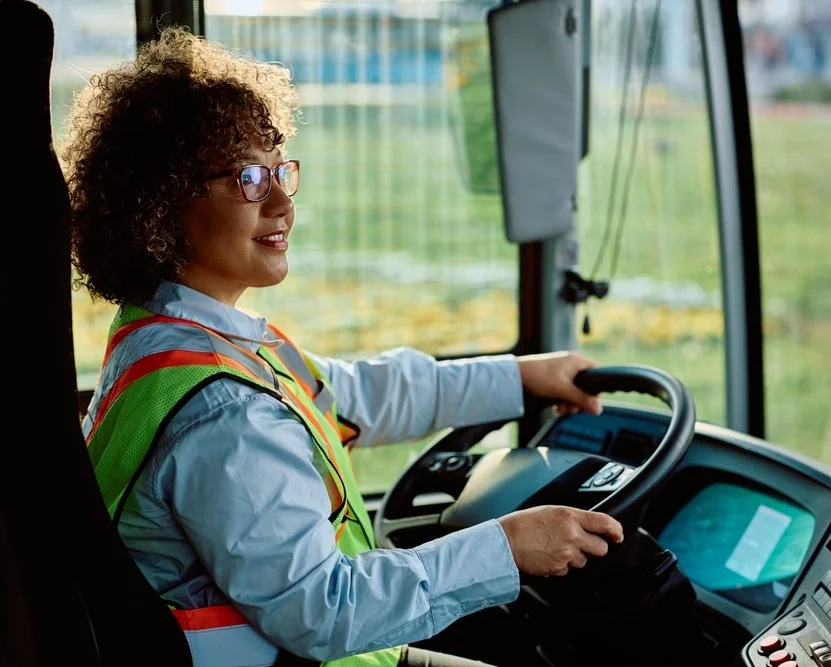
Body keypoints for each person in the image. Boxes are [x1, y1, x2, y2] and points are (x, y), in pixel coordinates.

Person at [63, 26, 624, 667]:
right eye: (248, 178)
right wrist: (507, 546)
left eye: (280, 171)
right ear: (159, 206)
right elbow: (323, 611)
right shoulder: (224, 414)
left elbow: (355, 395)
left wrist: (521, 376)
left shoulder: (169, 341)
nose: (281, 203)